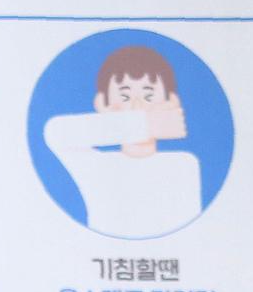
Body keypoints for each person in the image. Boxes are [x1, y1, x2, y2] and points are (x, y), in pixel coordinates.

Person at [42, 45, 203, 239]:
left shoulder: (183, 164)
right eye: (125, 96)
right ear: (102, 104)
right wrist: (145, 125)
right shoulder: (96, 165)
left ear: (172, 102)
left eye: (149, 95)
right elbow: (55, 132)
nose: (137, 105)